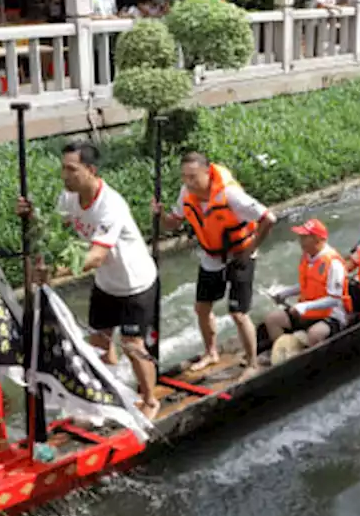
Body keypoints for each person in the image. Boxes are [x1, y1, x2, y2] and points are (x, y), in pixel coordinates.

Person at [17, 142, 161, 415]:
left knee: (133, 345)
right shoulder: (68, 199)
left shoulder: (111, 205)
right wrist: (31, 216)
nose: (65, 175)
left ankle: (151, 400)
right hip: (106, 283)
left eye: (72, 169)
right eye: (63, 169)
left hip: (135, 283)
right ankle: (112, 392)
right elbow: (51, 235)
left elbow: (96, 257)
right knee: (99, 343)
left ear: (91, 170)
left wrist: (56, 273)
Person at [155, 151, 275, 378]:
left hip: (240, 253)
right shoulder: (186, 194)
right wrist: (161, 215)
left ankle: (251, 364)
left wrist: (250, 250)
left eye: (193, 177)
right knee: (202, 309)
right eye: (184, 177)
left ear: (208, 173)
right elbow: (173, 223)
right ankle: (211, 353)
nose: (188, 182)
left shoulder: (230, 195)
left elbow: (269, 218)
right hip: (212, 255)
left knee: (238, 313)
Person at [264, 219, 351, 348]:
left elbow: (334, 299)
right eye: (301, 236)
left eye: (305, 237)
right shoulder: (307, 257)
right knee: (272, 319)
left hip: (331, 315)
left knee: (315, 334)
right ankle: (285, 353)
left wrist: (305, 306)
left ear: (317, 240)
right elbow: (306, 285)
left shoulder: (333, 263)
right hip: (309, 311)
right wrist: (285, 293)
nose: (300, 240)